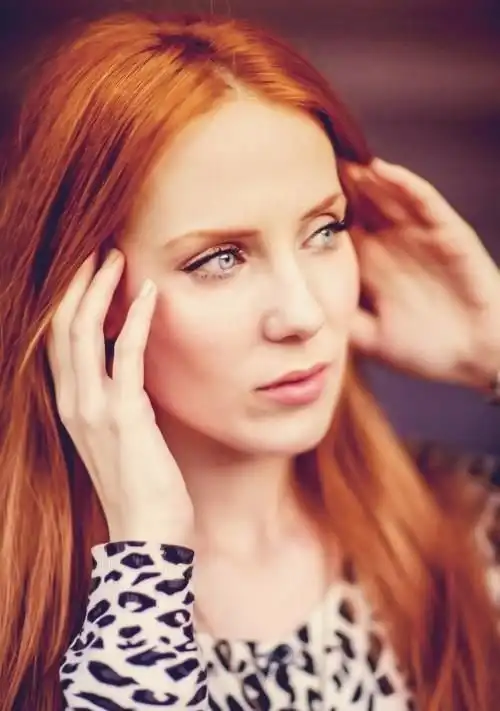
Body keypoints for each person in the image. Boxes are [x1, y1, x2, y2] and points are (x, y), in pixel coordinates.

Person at [0, 10, 499, 711]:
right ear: (91, 297)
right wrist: (143, 565)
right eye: (220, 258)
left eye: (323, 230)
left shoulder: (464, 528)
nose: (302, 313)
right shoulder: (22, 615)